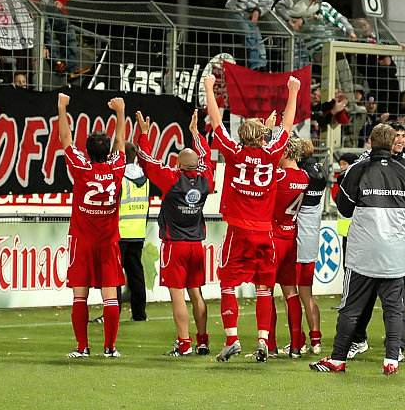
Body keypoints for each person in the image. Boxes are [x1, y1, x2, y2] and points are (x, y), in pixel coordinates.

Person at [310, 123, 405, 375]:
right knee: (394, 309)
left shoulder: (358, 169)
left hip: (362, 253)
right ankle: (392, 359)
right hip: (395, 253)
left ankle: (338, 360)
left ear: (371, 143)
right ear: (393, 144)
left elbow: (344, 208)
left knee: (350, 308)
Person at [205, 73, 300, 363]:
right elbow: (287, 126)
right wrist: (293, 92)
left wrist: (209, 88)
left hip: (238, 231)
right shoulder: (272, 154)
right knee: (263, 287)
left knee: (227, 283)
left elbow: (216, 122)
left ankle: (232, 339)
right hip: (265, 232)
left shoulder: (233, 152)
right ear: (262, 138)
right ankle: (262, 339)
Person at [135, 109, 212, 357]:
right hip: (196, 245)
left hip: (175, 245)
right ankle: (202, 341)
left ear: (178, 164)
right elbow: (207, 155)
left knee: (178, 296)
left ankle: (184, 343)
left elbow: (146, 160)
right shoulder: (206, 178)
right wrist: (195, 133)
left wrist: (144, 134)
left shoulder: (171, 179)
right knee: (196, 293)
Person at [58, 93, 127, 359]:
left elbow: (65, 139)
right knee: (110, 297)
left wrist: (62, 108)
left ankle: (82, 347)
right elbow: (121, 143)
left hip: (82, 240)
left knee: (80, 296)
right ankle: (110, 348)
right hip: (108, 241)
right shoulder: (116, 166)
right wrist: (120, 112)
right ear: (108, 151)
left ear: (86, 150)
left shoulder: (80, 167)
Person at [270, 136, 309, 358]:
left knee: (265, 291)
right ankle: (296, 347)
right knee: (291, 292)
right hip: (291, 237)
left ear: (285, 152)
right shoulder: (304, 177)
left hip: (273, 237)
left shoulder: (279, 176)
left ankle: (270, 346)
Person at [225, 0, 292, 71]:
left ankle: (262, 67)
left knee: (259, 40)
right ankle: (254, 67)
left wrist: (257, 11)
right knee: (248, 35)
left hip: (249, 16)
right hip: (234, 12)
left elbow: (267, 6)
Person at [295, 138, 328, 355]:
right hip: (312, 242)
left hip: (297, 241)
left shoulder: (300, 175)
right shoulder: (320, 172)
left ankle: (297, 341)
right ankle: (316, 341)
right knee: (307, 293)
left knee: (292, 294)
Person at [118, 141, 149, 322]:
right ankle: (139, 314)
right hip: (138, 232)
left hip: (120, 232)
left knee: (115, 276)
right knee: (136, 274)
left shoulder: (119, 176)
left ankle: (113, 313)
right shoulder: (144, 176)